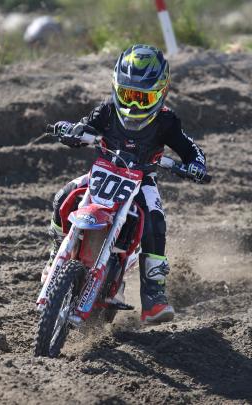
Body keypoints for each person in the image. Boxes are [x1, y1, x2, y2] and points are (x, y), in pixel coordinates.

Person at [42, 44, 207, 323]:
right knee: (64, 196)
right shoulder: (107, 110)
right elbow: (86, 127)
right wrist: (73, 131)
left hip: (142, 179)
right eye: (128, 96)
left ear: (160, 93)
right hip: (105, 172)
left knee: (155, 220)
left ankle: (154, 295)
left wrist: (196, 165)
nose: (133, 105)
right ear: (116, 89)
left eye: (142, 99)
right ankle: (54, 256)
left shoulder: (166, 121)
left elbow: (190, 148)